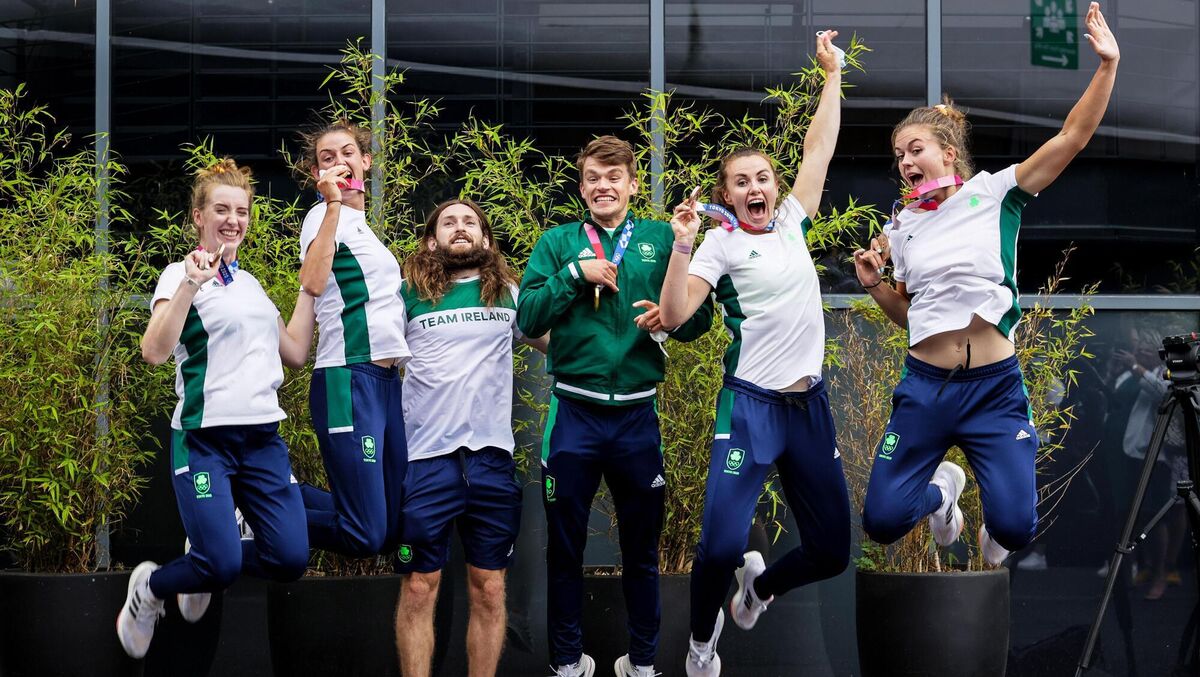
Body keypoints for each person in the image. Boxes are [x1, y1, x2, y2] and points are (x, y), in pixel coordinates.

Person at [855, 2, 1119, 566]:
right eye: (898, 155)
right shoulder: (899, 229)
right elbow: (912, 313)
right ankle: (941, 495)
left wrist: (1106, 67)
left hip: (995, 389)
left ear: (948, 153)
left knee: (1016, 529)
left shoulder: (995, 194)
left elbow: (1071, 137)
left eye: (915, 149)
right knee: (880, 520)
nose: (904, 161)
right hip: (926, 387)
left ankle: (982, 516)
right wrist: (879, 286)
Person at [656, 31, 850, 676]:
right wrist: (683, 244)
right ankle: (701, 644)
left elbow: (818, 148)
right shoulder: (721, 245)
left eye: (762, 176)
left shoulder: (793, 219)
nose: (755, 187)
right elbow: (680, 314)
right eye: (741, 182)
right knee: (716, 547)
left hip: (808, 407)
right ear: (728, 196)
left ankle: (759, 590)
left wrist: (831, 75)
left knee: (830, 550)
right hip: (749, 409)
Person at [517, 135, 715, 677]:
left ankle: (644, 664)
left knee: (642, 553)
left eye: (614, 177)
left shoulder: (657, 236)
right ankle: (566, 665)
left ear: (632, 184)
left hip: (635, 417)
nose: (604, 187)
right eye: (593, 179)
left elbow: (697, 321)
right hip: (573, 417)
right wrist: (573, 276)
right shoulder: (557, 242)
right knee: (564, 550)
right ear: (582, 188)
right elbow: (529, 318)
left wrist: (669, 308)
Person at [119, 158, 313, 659]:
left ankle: (210, 547)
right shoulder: (176, 276)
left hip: (263, 441)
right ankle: (151, 588)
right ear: (198, 217)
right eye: (221, 209)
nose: (233, 220)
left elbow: (292, 352)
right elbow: (154, 351)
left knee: (290, 558)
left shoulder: (250, 286)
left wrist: (311, 287)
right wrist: (191, 283)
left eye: (242, 211)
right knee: (222, 567)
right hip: (204, 438)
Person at [393, 198, 548, 676]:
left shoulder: (508, 293)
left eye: (470, 222)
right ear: (430, 240)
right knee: (421, 585)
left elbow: (562, 345)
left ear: (484, 239)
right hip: (425, 460)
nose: (460, 228)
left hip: (492, 461)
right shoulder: (405, 296)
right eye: (448, 222)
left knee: (490, 587)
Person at [295, 120, 410, 558]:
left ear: (366, 161)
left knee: (395, 522)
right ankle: (251, 512)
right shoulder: (324, 217)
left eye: (347, 153)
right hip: (348, 377)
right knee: (365, 534)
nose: (339, 162)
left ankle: (270, 498)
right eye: (327, 158)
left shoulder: (365, 229)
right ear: (316, 175)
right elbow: (312, 280)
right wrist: (331, 206)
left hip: (385, 384)